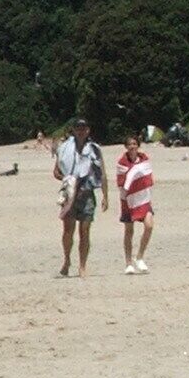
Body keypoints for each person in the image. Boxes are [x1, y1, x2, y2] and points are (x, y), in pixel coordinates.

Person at [52, 118, 108, 278]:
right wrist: (68, 179)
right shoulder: (64, 148)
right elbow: (56, 171)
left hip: (87, 193)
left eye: (83, 128)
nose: (81, 131)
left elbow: (102, 173)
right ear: (74, 130)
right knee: (68, 230)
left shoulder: (94, 149)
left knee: (85, 231)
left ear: (88, 130)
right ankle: (67, 260)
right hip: (70, 194)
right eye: (78, 128)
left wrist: (105, 195)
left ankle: (82, 265)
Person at [117, 136, 155, 272]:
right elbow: (121, 182)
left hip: (143, 198)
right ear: (126, 147)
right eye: (130, 144)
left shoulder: (144, 159)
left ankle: (139, 257)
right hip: (128, 200)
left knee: (149, 226)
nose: (132, 146)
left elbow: (148, 176)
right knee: (129, 231)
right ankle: (128, 263)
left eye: (134, 144)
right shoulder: (122, 163)